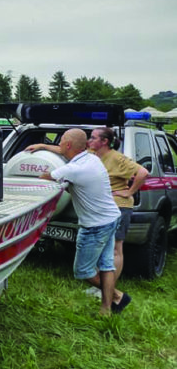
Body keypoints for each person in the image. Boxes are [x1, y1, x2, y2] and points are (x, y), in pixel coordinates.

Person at [28, 127, 148, 282]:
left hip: (118, 204)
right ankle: (105, 288)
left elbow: (143, 172)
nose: (88, 141)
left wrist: (129, 192)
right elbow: (64, 148)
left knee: (115, 251)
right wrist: (42, 146)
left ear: (104, 141)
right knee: (103, 253)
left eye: (93, 138)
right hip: (96, 207)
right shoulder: (91, 156)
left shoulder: (117, 158)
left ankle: (109, 289)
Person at [37, 128, 130, 315]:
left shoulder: (73, 169)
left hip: (96, 225)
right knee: (106, 265)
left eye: (61, 141)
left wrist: (46, 171)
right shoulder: (91, 158)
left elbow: (47, 177)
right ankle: (107, 308)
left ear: (68, 145)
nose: (59, 144)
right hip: (111, 217)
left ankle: (117, 296)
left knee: (83, 271)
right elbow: (73, 185)